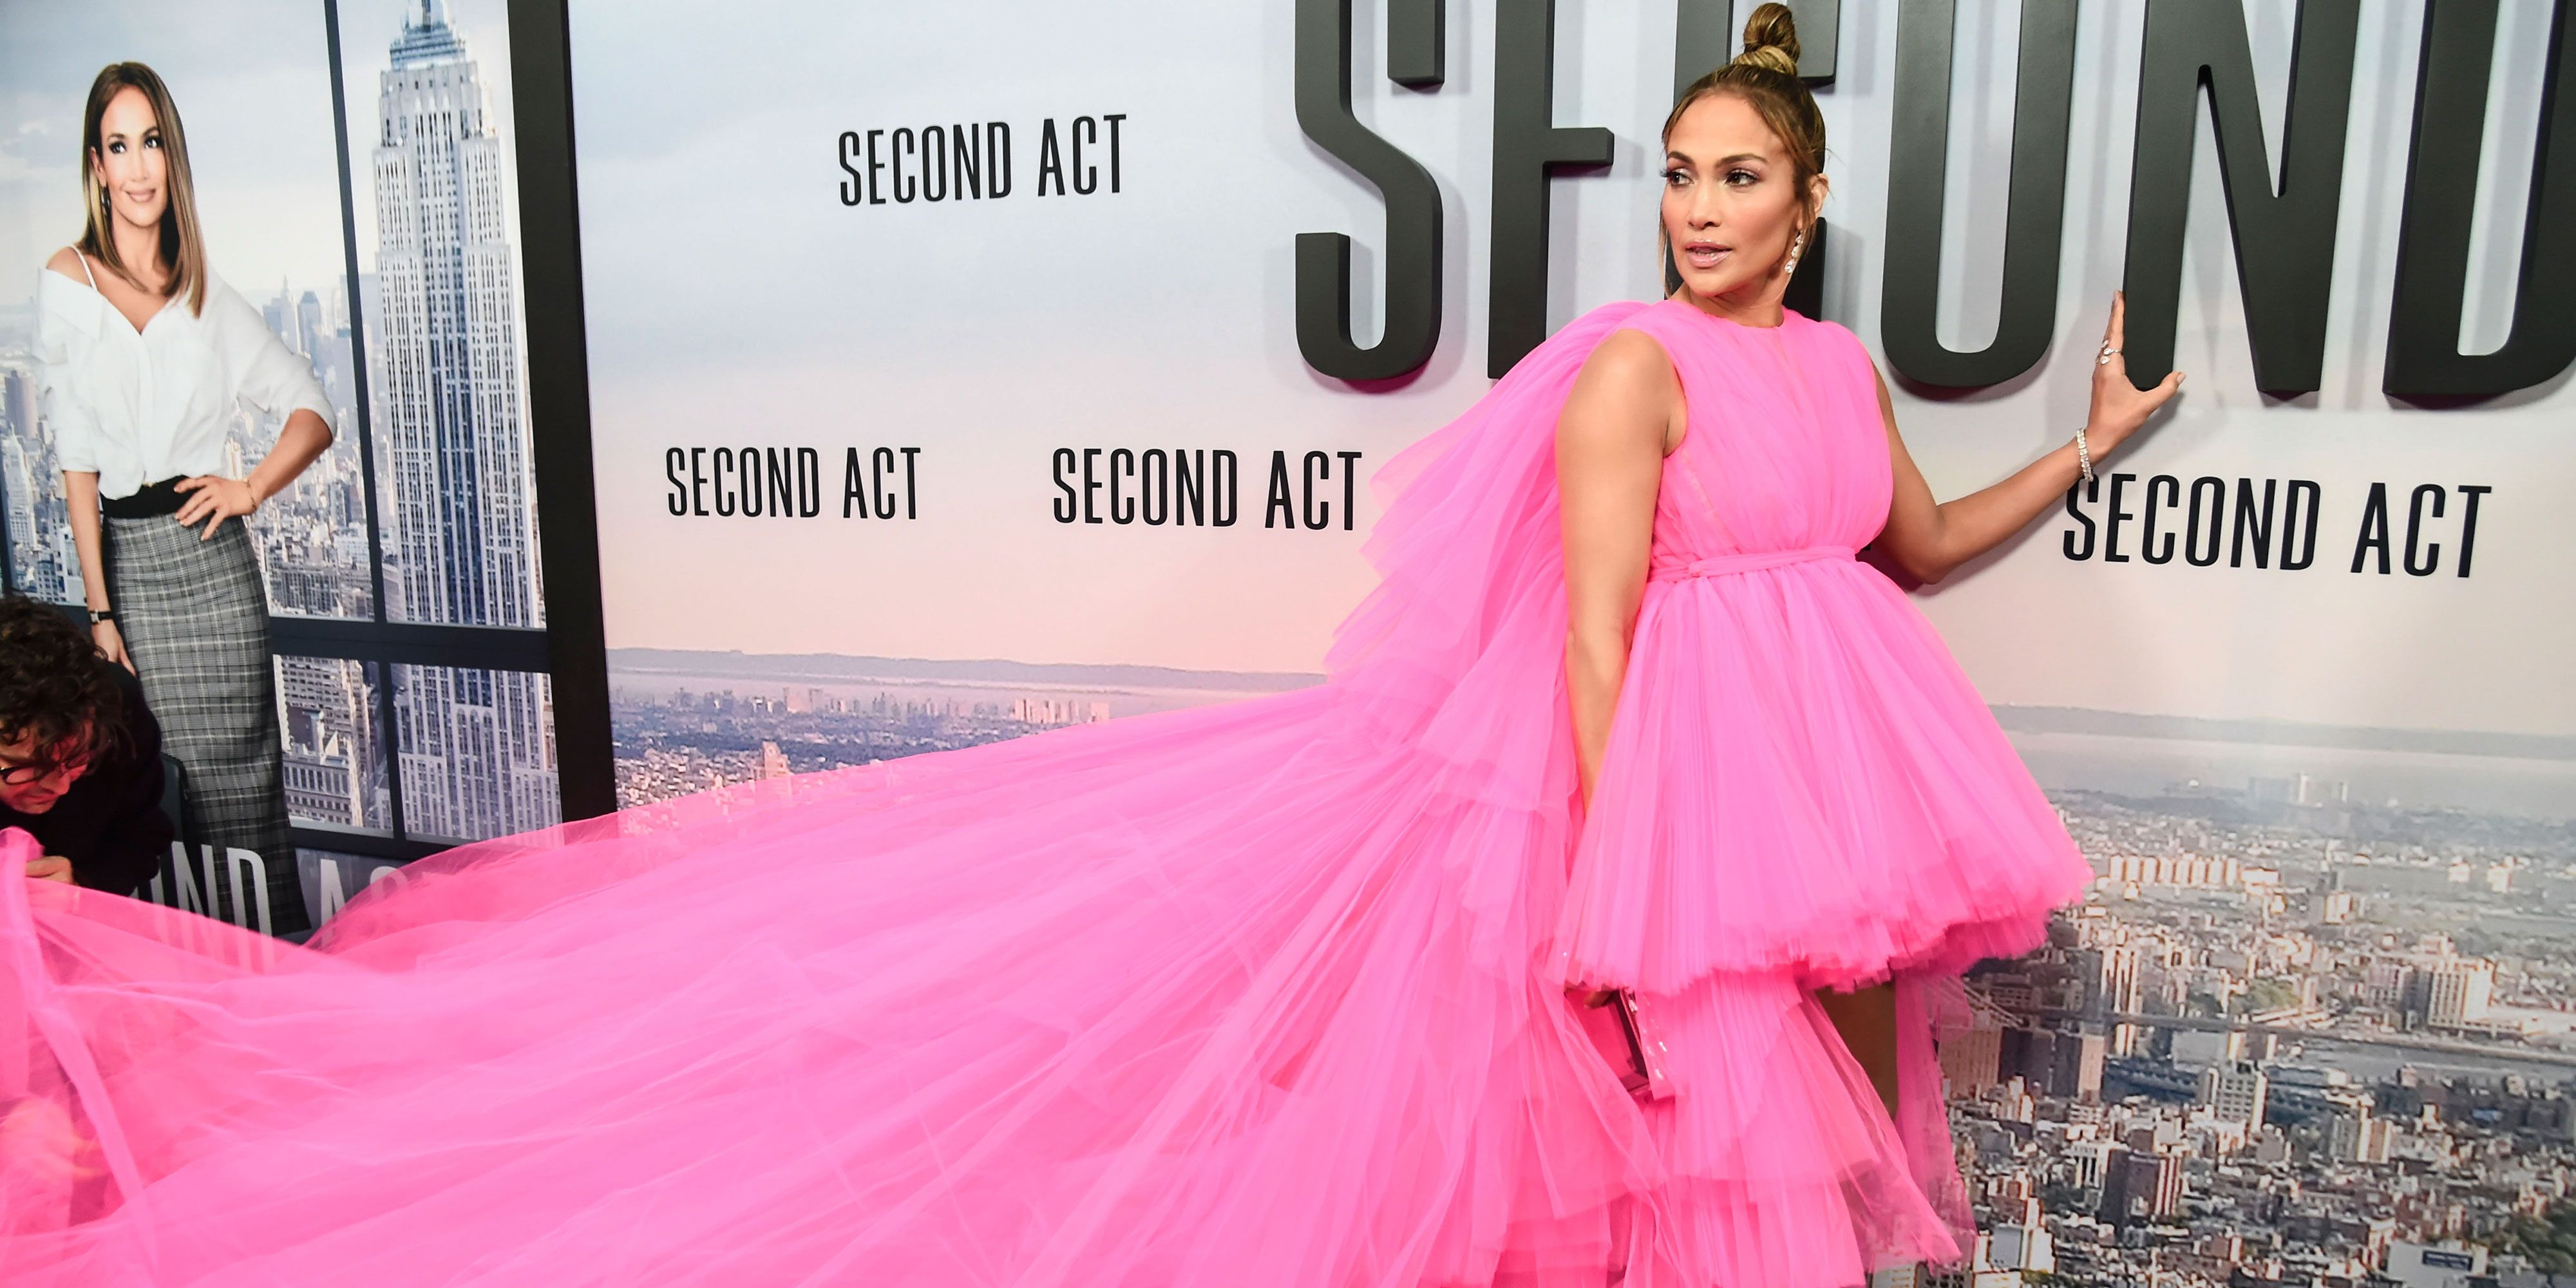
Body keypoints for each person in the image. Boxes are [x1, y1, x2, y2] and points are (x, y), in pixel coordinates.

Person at [0, 10, 2182, 1285]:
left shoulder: (1836, 366)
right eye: (1681, 175)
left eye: (1738, 182)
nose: (1698, 209)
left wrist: (2080, 455)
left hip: (1798, 842)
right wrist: (1611, 912)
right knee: (1658, 1195)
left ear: (1804, 205)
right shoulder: (1630, 372)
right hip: (1640, 860)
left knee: (1767, 1186)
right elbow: (1601, 654)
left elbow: (1905, 553)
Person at [33, 62, 334, 937]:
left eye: (151, 143)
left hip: (213, 576)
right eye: (118, 146)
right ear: (96, 165)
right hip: (128, 577)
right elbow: (77, 461)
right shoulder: (69, 281)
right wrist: (99, 608)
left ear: (174, 158)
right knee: (146, 803)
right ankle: (181, 1015)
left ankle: (276, 1002)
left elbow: (315, 409)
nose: (137, 168)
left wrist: (248, 488)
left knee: (244, 808)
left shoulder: (210, 302)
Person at [0, 596, 172, 898]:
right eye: (33, 767)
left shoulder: (118, 713)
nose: (61, 786)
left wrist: (83, 885)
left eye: (78, 758)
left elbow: (139, 835)